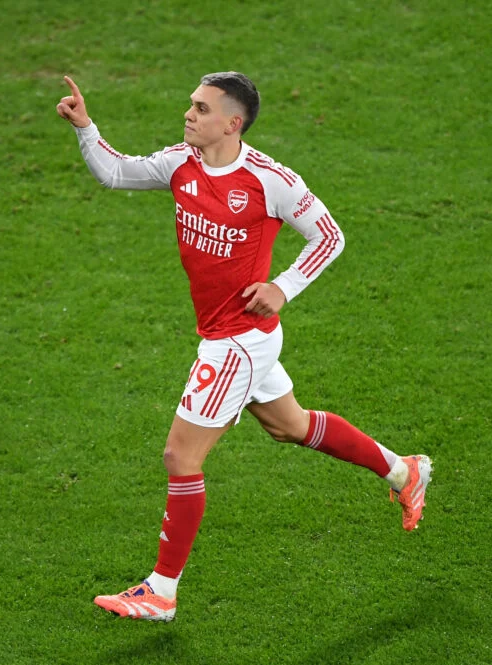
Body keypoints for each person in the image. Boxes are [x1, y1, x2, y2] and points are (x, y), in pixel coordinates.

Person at [55, 72, 432, 622]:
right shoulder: (181, 162)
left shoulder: (267, 179)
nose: (188, 114)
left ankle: (161, 591)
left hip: (237, 341)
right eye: (191, 104)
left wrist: (283, 286)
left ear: (233, 123)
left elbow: (329, 235)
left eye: (202, 109)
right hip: (229, 335)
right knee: (291, 425)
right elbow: (115, 172)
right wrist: (86, 128)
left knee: (180, 456)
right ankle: (405, 471)